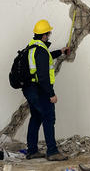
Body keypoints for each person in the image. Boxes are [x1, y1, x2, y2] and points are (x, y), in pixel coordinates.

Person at [22, 20, 70, 161]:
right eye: (48, 33)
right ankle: (52, 152)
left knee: (36, 118)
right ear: (43, 35)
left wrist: (60, 52)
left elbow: (45, 59)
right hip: (40, 90)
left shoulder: (32, 47)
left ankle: (32, 151)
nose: (49, 35)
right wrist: (51, 94)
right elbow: (43, 77)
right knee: (48, 118)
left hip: (30, 89)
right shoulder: (41, 51)